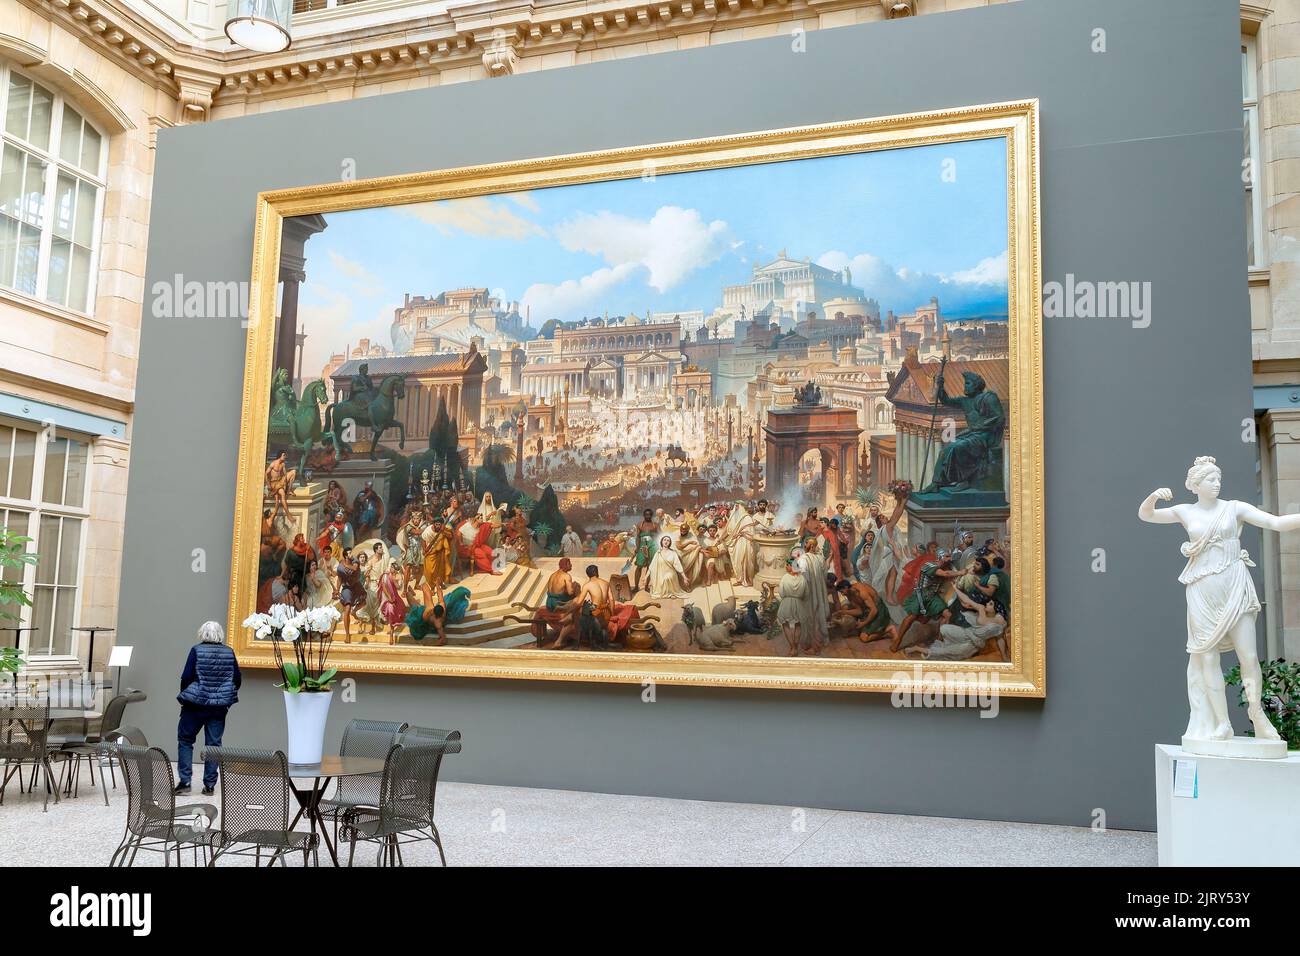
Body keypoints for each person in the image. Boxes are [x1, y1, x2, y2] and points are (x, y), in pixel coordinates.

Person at [175, 621, 241, 796]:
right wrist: (225, 697)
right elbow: (237, 679)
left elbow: (186, 677)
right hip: (218, 708)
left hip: (195, 705)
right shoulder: (229, 652)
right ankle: (210, 786)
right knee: (214, 745)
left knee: (185, 740)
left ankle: (185, 782)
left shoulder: (196, 650)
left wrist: (186, 696)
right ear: (220, 634)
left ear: (202, 634)